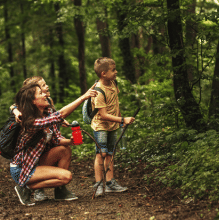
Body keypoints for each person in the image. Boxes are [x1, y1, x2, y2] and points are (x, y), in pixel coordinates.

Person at [10, 82, 98, 206]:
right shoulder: (31, 122)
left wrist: (71, 142)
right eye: (40, 93)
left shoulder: (46, 115)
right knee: (66, 177)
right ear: (33, 101)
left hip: (35, 163)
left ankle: (59, 191)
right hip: (22, 168)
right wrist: (84, 97)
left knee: (64, 149)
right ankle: (26, 188)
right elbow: (61, 115)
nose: (45, 95)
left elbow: (56, 140)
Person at [9, 76, 68, 201]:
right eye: (43, 86)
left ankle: (60, 188)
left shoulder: (48, 102)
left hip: (45, 147)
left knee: (64, 149)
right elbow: (14, 105)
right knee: (35, 159)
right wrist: (15, 111)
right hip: (28, 158)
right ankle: (34, 189)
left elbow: (55, 120)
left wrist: (61, 121)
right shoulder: (28, 112)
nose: (46, 87)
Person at [90, 57, 135, 197]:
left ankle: (110, 183)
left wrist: (120, 121)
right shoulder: (98, 90)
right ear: (103, 73)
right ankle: (98, 185)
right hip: (101, 126)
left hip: (113, 125)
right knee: (101, 154)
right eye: (113, 70)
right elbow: (103, 115)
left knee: (110, 153)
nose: (116, 72)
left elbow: (115, 103)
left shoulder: (113, 83)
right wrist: (123, 119)